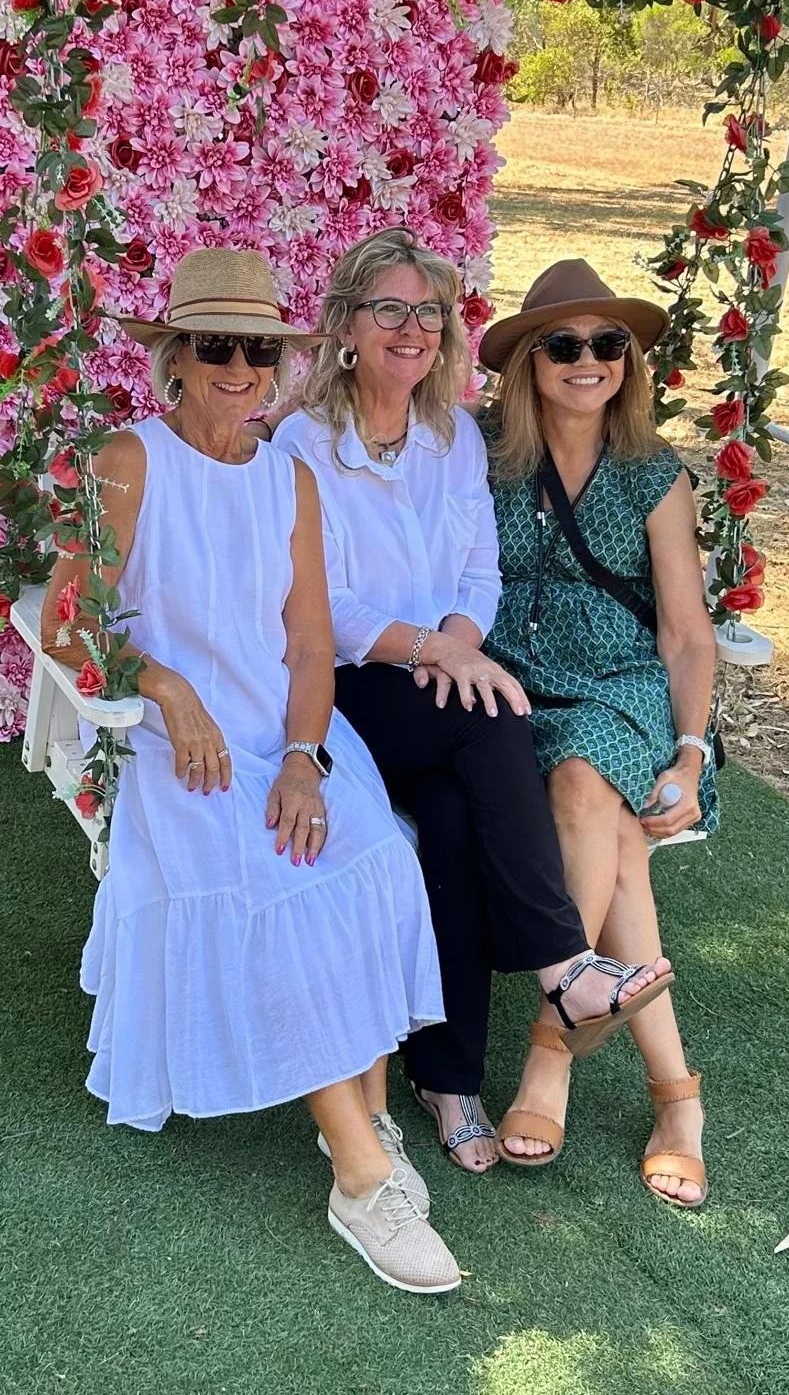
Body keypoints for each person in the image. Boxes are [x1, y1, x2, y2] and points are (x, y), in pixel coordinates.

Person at [40, 247, 464, 1295]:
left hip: (287, 737)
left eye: (260, 350)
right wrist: (167, 687)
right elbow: (63, 615)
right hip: (169, 741)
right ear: (175, 359)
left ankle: (359, 1120)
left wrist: (310, 762)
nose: (241, 368)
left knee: (377, 862)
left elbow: (311, 647)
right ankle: (364, 1174)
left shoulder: (292, 478)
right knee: (275, 885)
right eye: (217, 347)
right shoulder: (125, 460)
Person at [272, 227, 673, 1176]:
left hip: (441, 672)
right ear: (347, 327)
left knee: (452, 822)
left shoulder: (450, 435)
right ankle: (566, 967)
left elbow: (478, 566)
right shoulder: (304, 442)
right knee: (498, 714)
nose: (413, 329)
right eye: (391, 310)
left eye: (430, 311)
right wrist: (439, 657)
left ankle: (447, 1079)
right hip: (351, 680)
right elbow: (318, 601)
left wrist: (457, 647)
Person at [475, 258, 717, 1204]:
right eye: (564, 344)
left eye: (608, 343)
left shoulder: (652, 472)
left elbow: (686, 631)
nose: (589, 361)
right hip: (508, 684)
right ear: (529, 362)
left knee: (585, 786)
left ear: (629, 361)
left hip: (618, 686)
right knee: (618, 841)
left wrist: (691, 753)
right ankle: (676, 1096)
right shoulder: (482, 451)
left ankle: (551, 1055)